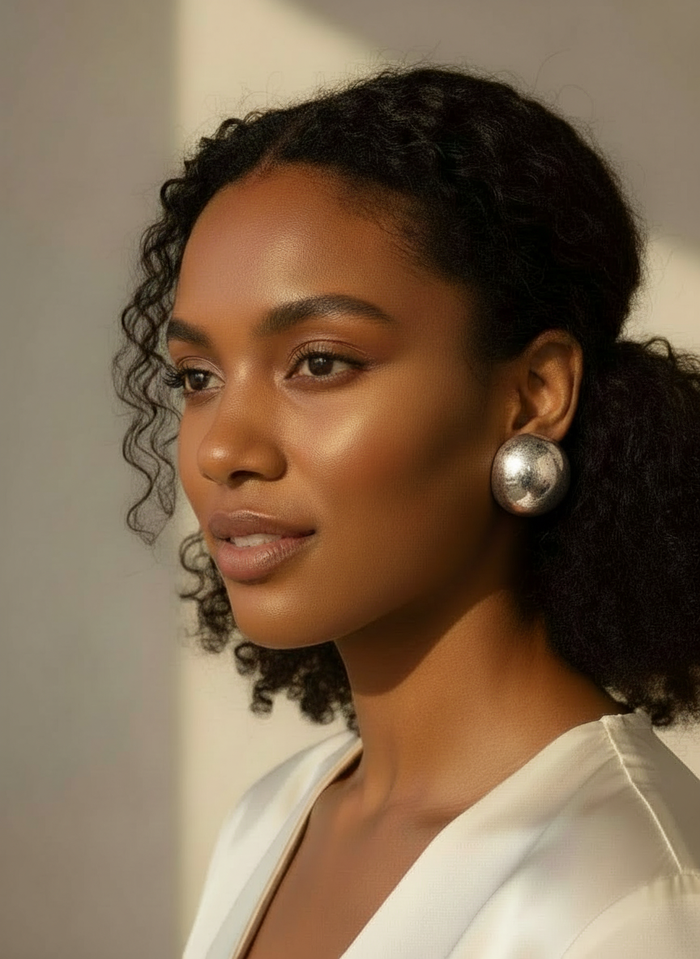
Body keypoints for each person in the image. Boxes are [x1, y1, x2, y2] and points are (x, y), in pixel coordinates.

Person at [113, 65, 700, 958]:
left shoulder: (627, 899)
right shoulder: (277, 816)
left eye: (318, 362)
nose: (221, 449)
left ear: (534, 394)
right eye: (199, 377)